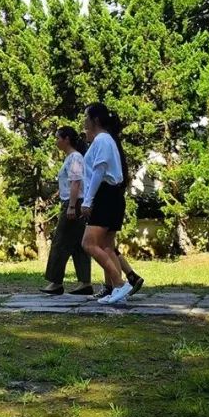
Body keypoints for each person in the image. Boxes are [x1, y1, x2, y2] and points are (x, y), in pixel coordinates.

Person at [79, 103, 143, 305]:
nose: (84, 121)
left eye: (86, 117)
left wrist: (87, 201)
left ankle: (119, 283)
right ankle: (118, 293)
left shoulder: (102, 140)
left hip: (105, 195)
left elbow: (99, 171)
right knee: (107, 246)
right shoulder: (105, 140)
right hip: (112, 195)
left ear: (96, 119)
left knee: (89, 243)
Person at [42, 126, 93, 296]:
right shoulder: (71, 158)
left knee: (60, 242)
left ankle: (55, 282)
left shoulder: (75, 158)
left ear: (67, 139)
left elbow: (76, 182)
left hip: (74, 203)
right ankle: (85, 283)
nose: (56, 141)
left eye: (58, 138)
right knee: (79, 244)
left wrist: (71, 206)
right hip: (75, 202)